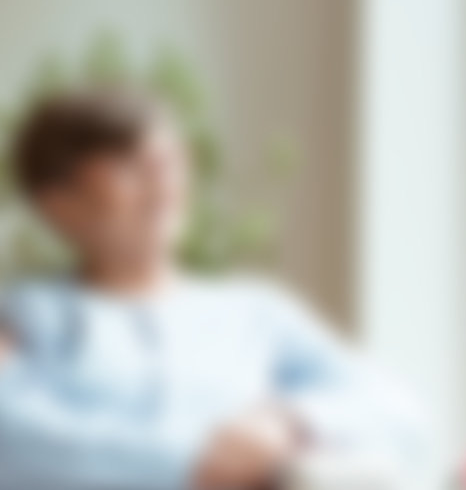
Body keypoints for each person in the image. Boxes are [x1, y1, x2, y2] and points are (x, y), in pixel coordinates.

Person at [0, 86, 421, 489]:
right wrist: (191, 460)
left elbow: (397, 412)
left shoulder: (255, 312)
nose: (163, 184)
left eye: (170, 161)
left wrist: (288, 420)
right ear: (58, 201)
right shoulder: (27, 315)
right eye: (131, 166)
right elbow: (11, 434)